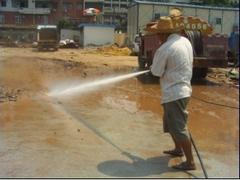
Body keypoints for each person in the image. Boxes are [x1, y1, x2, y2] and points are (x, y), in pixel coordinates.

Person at [150, 24, 196, 170]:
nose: (157, 37)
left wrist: (152, 67)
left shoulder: (165, 49)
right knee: (170, 123)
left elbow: (156, 72)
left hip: (173, 94)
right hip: (183, 90)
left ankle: (190, 162)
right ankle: (178, 149)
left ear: (164, 34)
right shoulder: (185, 41)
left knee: (179, 128)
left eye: (158, 34)